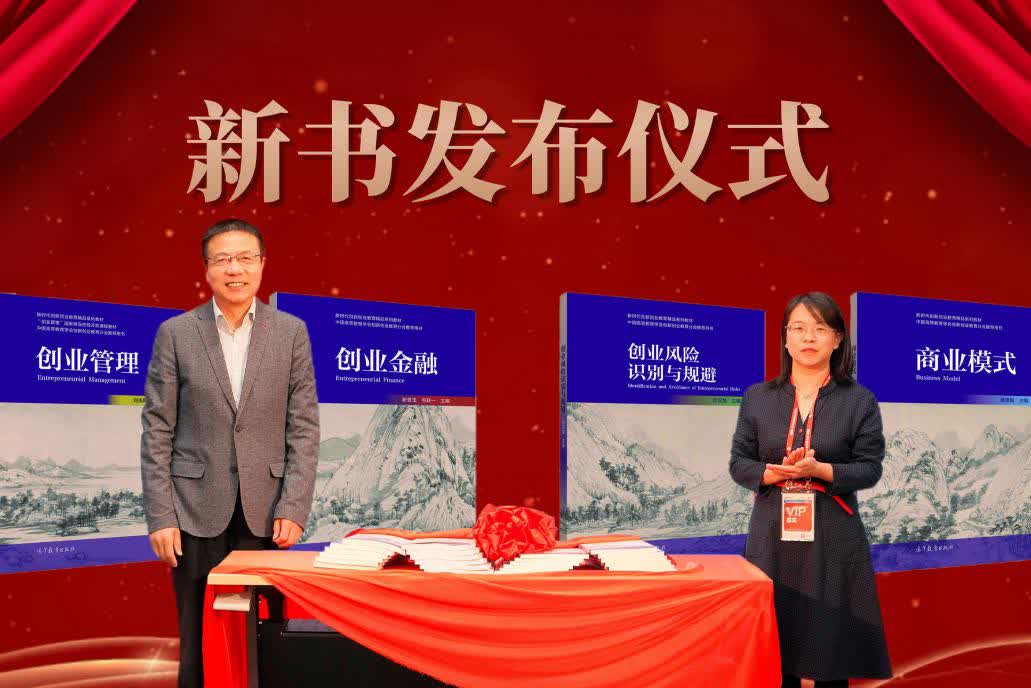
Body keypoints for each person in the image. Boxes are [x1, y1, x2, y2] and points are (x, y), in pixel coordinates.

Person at [140, 219, 320, 688]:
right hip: (193, 512)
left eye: (244, 258)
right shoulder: (176, 333)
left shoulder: (291, 333)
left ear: (262, 265)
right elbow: (157, 427)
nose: (234, 269)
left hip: (268, 512)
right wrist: (161, 516)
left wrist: (294, 506)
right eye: (222, 259)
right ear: (206, 269)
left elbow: (303, 427)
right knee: (199, 640)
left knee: (264, 639)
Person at [729, 291, 892, 687]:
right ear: (785, 338)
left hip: (832, 537)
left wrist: (823, 470)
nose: (808, 337)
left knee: (829, 651)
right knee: (775, 650)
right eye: (798, 328)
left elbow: (870, 469)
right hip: (772, 535)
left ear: (837, 339)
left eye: (820, 328)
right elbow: (739, 464)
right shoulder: (757, 398)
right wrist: (775, 472)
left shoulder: (859, 400)